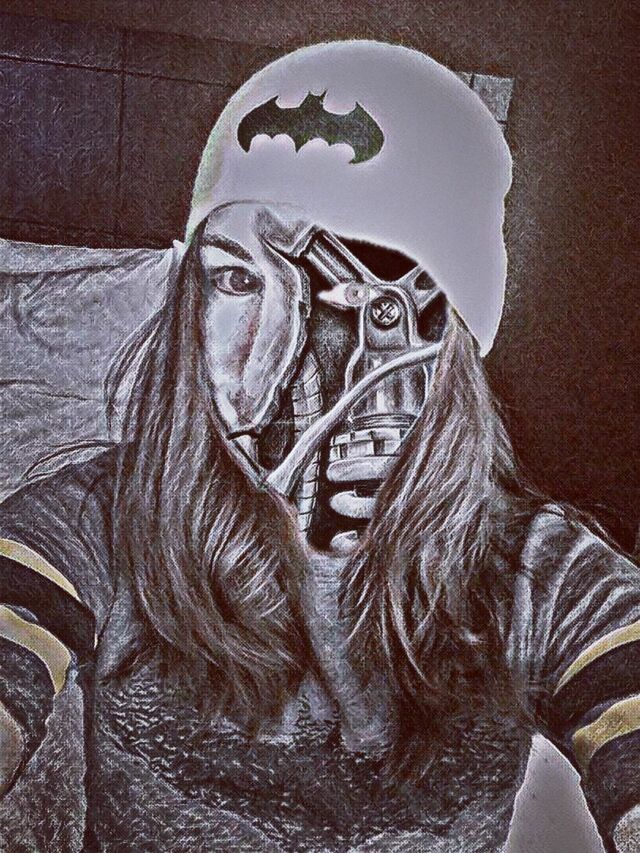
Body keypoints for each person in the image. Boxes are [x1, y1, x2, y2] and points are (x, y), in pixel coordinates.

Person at [0, 40, 638, 853]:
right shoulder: (96, 525)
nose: (260, 358)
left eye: (349, 294)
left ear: (447, 332)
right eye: (234, 280)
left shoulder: (541, 578)